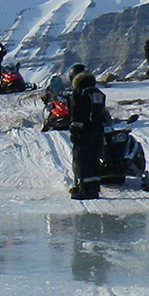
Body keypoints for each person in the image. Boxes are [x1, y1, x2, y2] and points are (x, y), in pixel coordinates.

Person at [67, 71, 106, 200]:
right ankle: (94, 187)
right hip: (98, 129)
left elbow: (77, 112)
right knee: (94, 158)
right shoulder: (98, 93)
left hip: (84, 130)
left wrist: (75, 129)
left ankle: (85, 189)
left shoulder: (79, 93)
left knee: (82, 159)